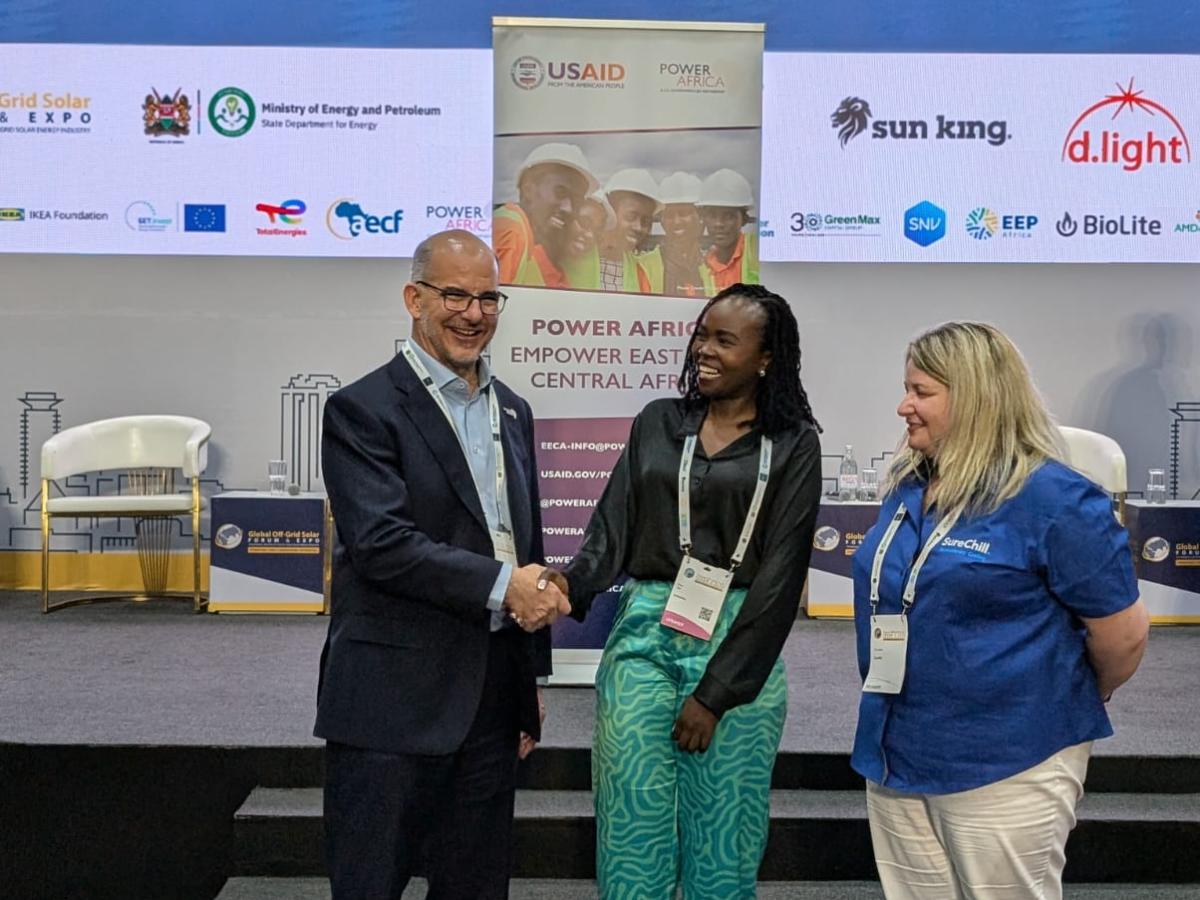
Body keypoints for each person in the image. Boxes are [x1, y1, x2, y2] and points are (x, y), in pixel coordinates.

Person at [851, 321, 1150, 900]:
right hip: (897, 750)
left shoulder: (1056, 500)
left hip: (1010, 756)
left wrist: (1057, 692)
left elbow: (1124, 638)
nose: (903, 406)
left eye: (921, 392)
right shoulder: (909, 485)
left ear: (976, 398)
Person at [545, 283, 823, 898]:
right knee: (629, 822)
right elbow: (611, 529)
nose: (705, 348)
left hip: (738, 644)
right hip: (646, 627)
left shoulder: (795, 443)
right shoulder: (658, 422)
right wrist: (569, 581)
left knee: (724, 836)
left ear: (767, 357)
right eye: (702, 333)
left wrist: (717, 694)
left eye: (725, 339)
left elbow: (779, 580)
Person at [315, 229, 570, 900]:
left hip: (489, 698)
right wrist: (503, 587)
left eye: (488, 297)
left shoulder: (512, 410)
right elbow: (382, 545)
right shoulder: (361, 409)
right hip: (390, 700)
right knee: (371, 884)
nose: (473, 313)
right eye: (454, 294)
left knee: (476, 886)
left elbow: (522, 539)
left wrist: (527, 679)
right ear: (414, 298)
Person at [494, 142, 597, 288]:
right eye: (560, 192)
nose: (569, 208)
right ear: (528, 190)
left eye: (576, 200)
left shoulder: (531, 241)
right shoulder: (511, 231)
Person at [598, 168, 664, 293]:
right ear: (610, 212)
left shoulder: (642, 271)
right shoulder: (578, 261)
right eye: (630, 217)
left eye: (645, 221)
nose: (638, 227)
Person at [698, 169, 759, 294]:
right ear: (704, 219)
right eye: (712, 215)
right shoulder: (701, 267)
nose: (718, 224)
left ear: (744, 219)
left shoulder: (758, 250)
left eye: (728, 216)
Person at [657, 171, 707, 298]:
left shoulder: (712, 265)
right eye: (669, 215)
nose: (676, 222)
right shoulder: (648, 264)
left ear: (700, 216)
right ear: (662, 221)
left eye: (684, 213)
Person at [562, 192, 612, 291]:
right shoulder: (535, 256)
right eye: (584, 222)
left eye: (597, 232)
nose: (590, 235)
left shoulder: (592, 271)